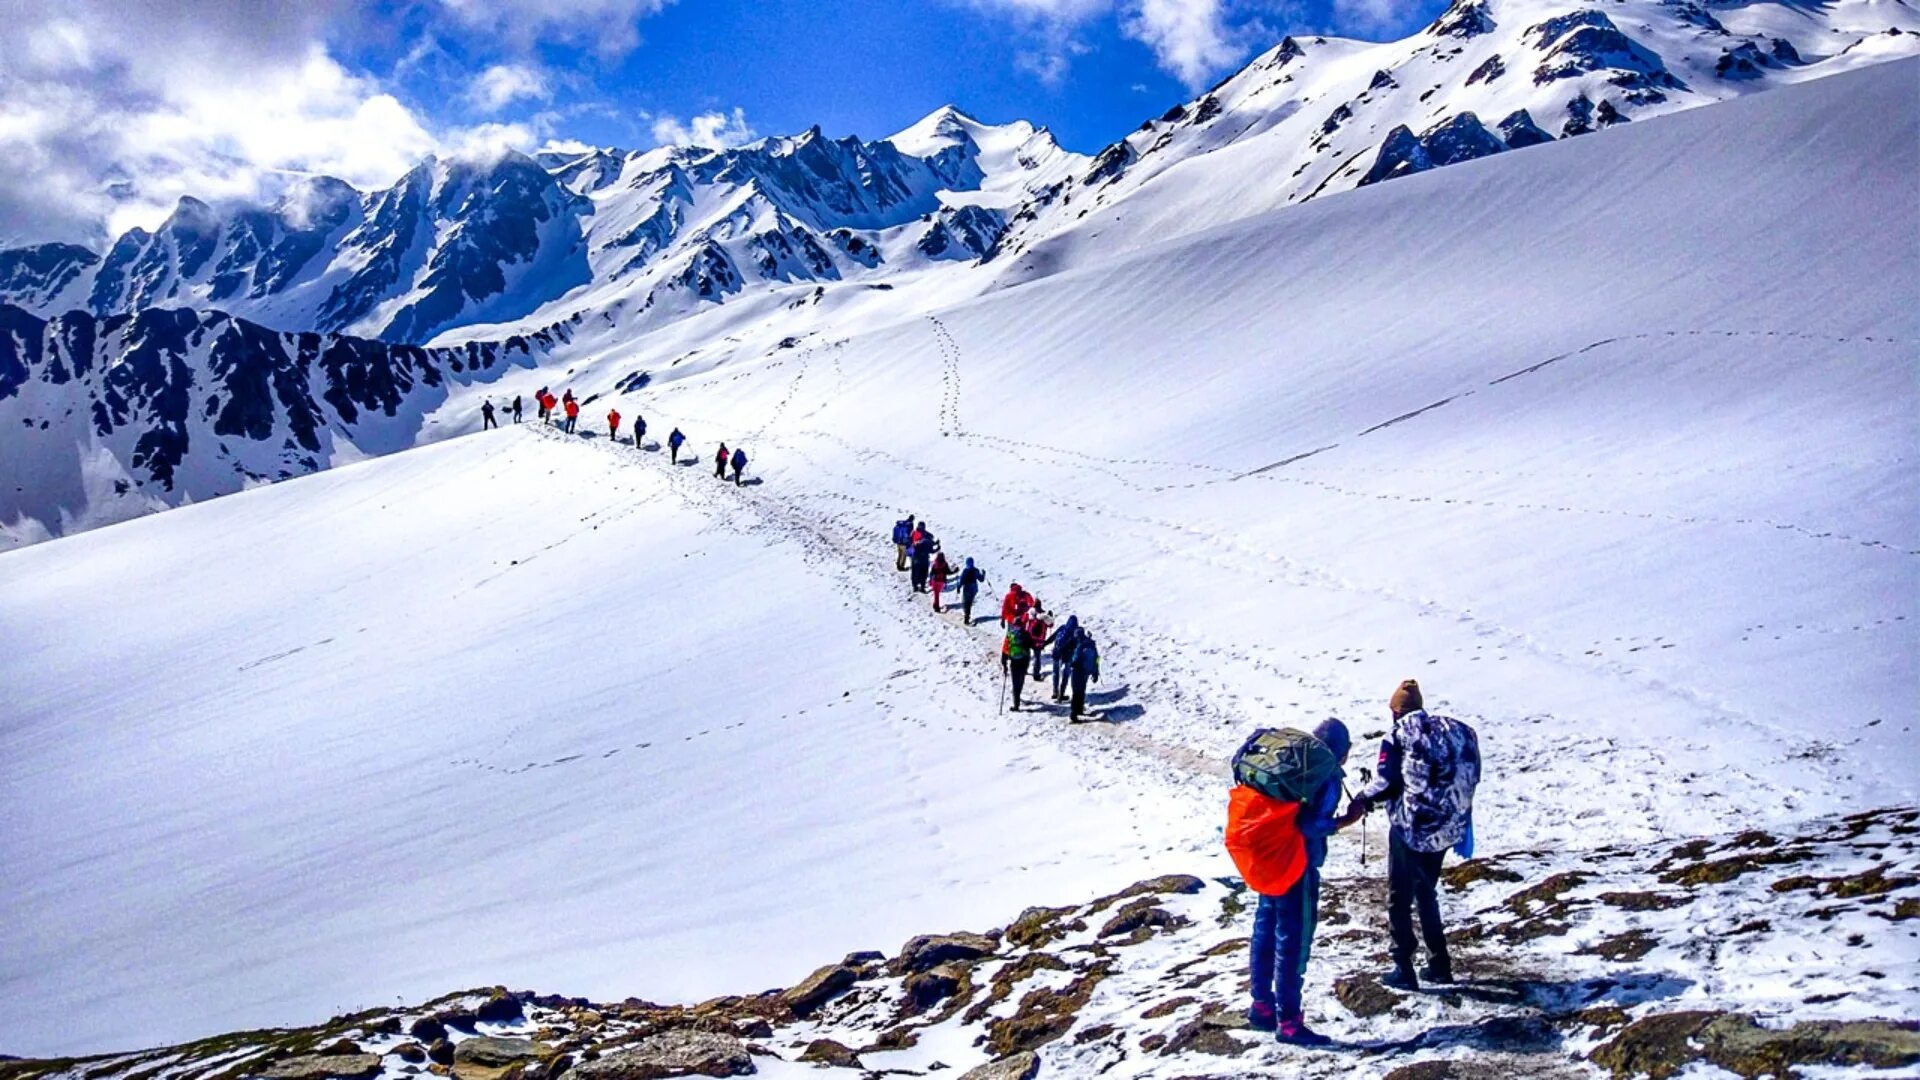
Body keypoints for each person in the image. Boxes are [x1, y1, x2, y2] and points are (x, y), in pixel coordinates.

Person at [1347, 680, 1480, 991]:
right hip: (1449, 827)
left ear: (1395, 711)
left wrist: (1362, 800)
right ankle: (1439, 963)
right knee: (1425, 891)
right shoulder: (1455, 731)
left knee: (1399, 897)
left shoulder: (1398, 735)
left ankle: (1403, 966)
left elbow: (1387, 782)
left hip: (1412, 830)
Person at [1245, 719, 1354, 1045]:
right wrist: (1345, 821)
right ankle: (1290, 1022)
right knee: (1292, 941)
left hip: (1270, 858)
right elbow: (1310, 825)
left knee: (1264, 930)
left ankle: (1261, 1006)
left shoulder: (1290, 765)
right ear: (1342, 752)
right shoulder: (1326, 775)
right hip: (1298, 866)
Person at [1068, 629, 1100, 721]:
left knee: (1076, 692)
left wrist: (1071, 663)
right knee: (1082, 690)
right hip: (1086, 671)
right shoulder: (1091, 644)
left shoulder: (1080, 644)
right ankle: (1080, 709)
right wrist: (1096, 672)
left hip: (1078, 671)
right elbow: (1097, 658)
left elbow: (1076, 658)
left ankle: (1073, 714)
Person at [1002, 619, 1034, 710]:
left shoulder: (1010, 635)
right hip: (1024, 660)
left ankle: (1016, 704)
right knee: (1021, 680)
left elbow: (1005, 649)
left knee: (1015, 682)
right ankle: (1018, 695)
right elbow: (1031, 645)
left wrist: (1004, 663)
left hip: (1014, 661)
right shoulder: (1026, 634)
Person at [1049, 616, 1081, 701]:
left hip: (1056, 653)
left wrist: (1045, 643)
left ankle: (1055, 691)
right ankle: (1061, 693)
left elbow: (1053, 637)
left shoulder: (1063, 627)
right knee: (1066, 674)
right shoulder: (1076, 631)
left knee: (1056, 672)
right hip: (1068, 656)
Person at [1025, 604, 1051, 682]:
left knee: (1027, 655)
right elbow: (1050, 624)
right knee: (1037, 658)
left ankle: (1024, 669)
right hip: (1039, 642)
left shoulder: (1031, 615)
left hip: (1029, 640)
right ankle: (1036, 674)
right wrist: (1050, 617)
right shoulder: (1044, 617)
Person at [957, 559, 987, 624]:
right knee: (969, 602)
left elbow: (961, 580)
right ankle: (967, 615)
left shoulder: (965, 571)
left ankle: (966, 617)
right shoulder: (976, 570)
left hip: (967, 588)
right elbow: (981, 579)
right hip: (974, 588)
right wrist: (983, 574)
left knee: (965, 602)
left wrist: (958, 587)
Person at [909, 527, 937, 594]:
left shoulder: (916, 543)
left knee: (914, 573)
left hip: (915, 561)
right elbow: (932, 551)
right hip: (924, 561)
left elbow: (910, 551)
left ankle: (915, 587)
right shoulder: (927, 542)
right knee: (924, 574)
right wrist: (937, 548)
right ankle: (922, 587)